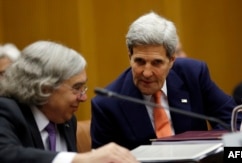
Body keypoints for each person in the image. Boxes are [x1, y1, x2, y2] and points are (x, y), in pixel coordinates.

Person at [90, 12, 242, 150]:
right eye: (140, 61)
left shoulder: (193, 74)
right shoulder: (107, 104)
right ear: (130, 56)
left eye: (157, 63)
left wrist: (207, 149)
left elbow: (235, 121)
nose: (147, 73)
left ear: (171, 60)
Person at [0, 41, 138, 163]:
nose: (83, 98)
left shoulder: (66, 119)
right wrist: (80, 159)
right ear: (45, 88)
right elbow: (6, 155)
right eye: (76, 88)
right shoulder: (6, 111)